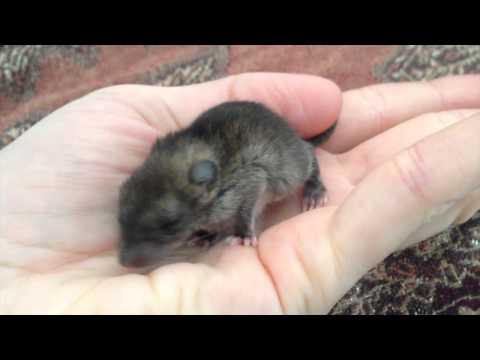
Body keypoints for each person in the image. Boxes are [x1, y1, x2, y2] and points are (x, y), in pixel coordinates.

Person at [0, 72, 479, 314]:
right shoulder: (160, 176)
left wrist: (245, 229)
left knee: (290, 171)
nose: (134, 253)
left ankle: (312, 172)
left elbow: (251, 182)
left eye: (165, 227)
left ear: (203, 191)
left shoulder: (219, 186)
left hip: (273, 152)